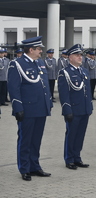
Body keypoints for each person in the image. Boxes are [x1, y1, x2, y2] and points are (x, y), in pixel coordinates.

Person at [7, 36, 53, 181]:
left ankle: (35, 166)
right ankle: (25, 168)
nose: (41, 51)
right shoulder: (17, 64)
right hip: (27, 109)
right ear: (31, 49)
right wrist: (17, 107)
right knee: (25, 140)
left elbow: (44, 86)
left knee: (36, 140)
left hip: (41, 108)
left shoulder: (39, 63)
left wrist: (48, 103)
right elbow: (14, 88)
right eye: (39, 49)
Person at [58, 44, 93, 169]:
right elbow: (64, 94)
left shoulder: (84, 71)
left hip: (84, 109)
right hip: (73, 109)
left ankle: (77, 157)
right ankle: (69, 159)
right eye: (77, 55)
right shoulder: (65, 73)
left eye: (80, 55)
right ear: (70, 57)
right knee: (71, 134)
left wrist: (90, 107)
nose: (80, 57)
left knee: (80, 135)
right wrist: (67, 110)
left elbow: (88, 91)